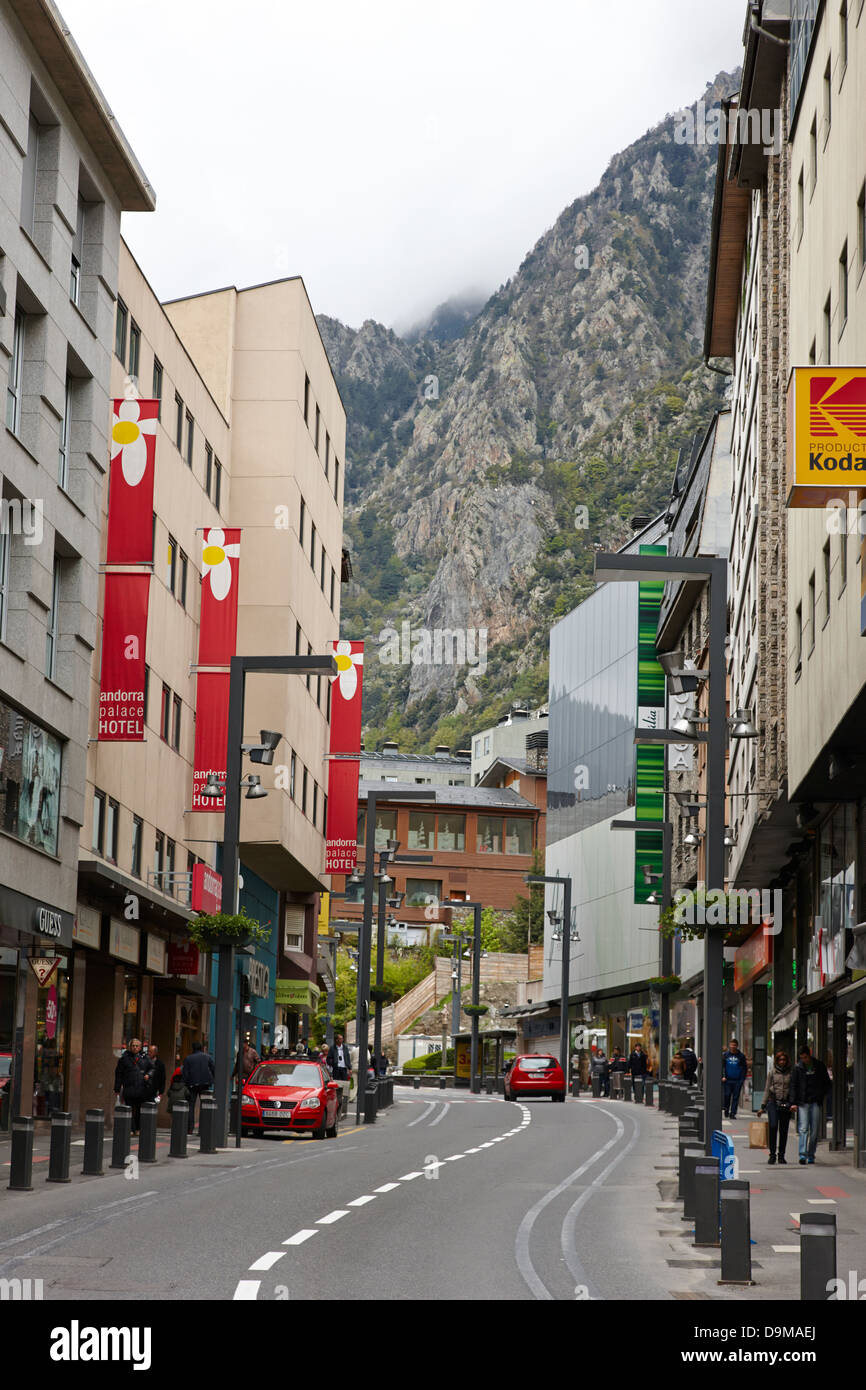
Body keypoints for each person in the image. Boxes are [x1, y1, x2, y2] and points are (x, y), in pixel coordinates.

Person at [791, 1045, 831, 1165]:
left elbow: (827, 1083)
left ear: (810, 1055)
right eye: (802, 1058)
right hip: (803, 1102)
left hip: (815, 1101)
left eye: (805, 1057)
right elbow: (794, 1085)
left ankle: (811, 1154)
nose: (804, 1060)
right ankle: (803, 1154)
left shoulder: (819, 1066)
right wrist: (793, 1102)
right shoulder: (798, 1068)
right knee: (803, 1128)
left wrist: (821, 1095)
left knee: (814, 1130)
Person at [758, 1050, 794, 1165]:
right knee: (773, 1126)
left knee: (784, 1130)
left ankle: (781, 1155)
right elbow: (767, 1088)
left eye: (784, 1060)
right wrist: (762, 1106)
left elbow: (793, 1089)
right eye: (780, 1060)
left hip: (786, 1104)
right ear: (777, 1061)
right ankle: (772, 1155)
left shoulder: (791, 1073)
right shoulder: (772, 1073)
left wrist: (793, 1103)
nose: (782, 1062)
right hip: (773, 1102)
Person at [114, 1038, 147, 1134]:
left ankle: (137, 1128)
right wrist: (117, 1088)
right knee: (130, 1109)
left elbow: (152, 1069)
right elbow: (118, 1074)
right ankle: (131, 1129)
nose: (135, 1047)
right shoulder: (123, 1059)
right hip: (129, 1088)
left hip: (141, 1088)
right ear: (130, 1047)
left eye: (137, 1046)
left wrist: (149, 1076)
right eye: (133, 1046)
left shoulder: (144, 1059)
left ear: (140, 1047)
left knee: (139, 1110)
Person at [181, 1041, 215, 1134]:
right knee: (204, 1106)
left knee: (191, 1105)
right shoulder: (207, 1057)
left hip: (192, 1084)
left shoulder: (188, 1058)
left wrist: (183, 1084)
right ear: (201, 1048)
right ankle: (202, 1129)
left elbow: (185, 1073)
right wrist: (212, 1080)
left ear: (193, 1048)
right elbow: (213, 1069)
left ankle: (190, 1128)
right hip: (205, 1084)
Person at [722, 1038, 748, 1119]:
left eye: (734, 1045)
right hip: (727, 1080)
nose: (733, 1046)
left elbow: (744, 1068)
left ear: (737, 1046)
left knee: (736, 1097)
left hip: (737, 1080)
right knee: (727, 1095)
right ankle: (726, 1109)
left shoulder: (741, 1056)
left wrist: (742, 1079)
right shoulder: (725, 1055)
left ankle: (733, 1113)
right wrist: (722, 1076)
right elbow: (722, 1067)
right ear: (729, 1045)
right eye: (731, 1045)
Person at [327, 1032, 353, 1108]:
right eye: (340, 1038)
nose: (342, 1039)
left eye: (342, 1038)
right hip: (336, 1068)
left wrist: (350, 1068)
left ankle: (343, 1102)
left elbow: (347, 1058)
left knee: (344, 1085)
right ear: (336, 1040)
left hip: (344, 1068)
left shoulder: (345, 1047)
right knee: (336, 1085)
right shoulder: (332, 1048)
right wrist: (334, 1062)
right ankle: (336, 1100)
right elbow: (328, 1059)